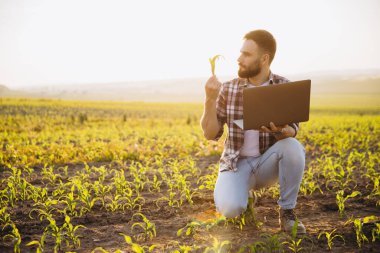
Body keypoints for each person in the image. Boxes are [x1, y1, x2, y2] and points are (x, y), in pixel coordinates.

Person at [200, 29, 306, 234]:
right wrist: (210, 99)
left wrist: (284, 132)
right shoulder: (228, 88)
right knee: (231, 209)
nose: (239, 59)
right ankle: (245, 198)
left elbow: (293, 128)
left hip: (267, 162)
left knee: (293, 147)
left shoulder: (284, 87)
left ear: (264, 59)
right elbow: (210, 133)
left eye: (246, 54)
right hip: (235, 164)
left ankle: (287, 212)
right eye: (241, 53)